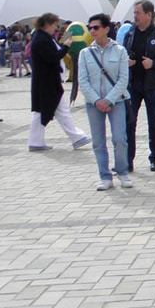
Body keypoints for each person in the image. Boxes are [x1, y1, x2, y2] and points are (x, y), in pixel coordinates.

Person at [78, 13, 132, 190]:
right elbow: (82, 80)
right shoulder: (85, 53)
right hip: (93, 104)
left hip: (116, 101)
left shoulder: (120, 50)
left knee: (120, 138)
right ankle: (104, 176)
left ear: (106, 29)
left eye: (96, 27)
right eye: (90, 27)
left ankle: (122, 171)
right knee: (98, 141)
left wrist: (108, 99)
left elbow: (123, 79)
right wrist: (96, 100)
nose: (92, 30)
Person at [27, 12, 90, 152]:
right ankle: (76, 137)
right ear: (48, 24)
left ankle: (36, 141)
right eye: (55, 25)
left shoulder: (43, 38)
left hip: (47, 82)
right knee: (56, 110)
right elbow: (53, 57)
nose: (56, 28)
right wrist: (66, 46)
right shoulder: (41, 40)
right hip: (48, 83)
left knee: (44, 111)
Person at [124, 0, 155, 172]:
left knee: (154, 123)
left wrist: (154, 64)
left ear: (148, 14)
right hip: (133, 85)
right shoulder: (130, 35)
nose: (135, 16)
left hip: (152, 86)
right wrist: (126, 62)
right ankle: (128, 160)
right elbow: (122, 55)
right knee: (129, 123)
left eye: (137, 13)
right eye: (134, 13)